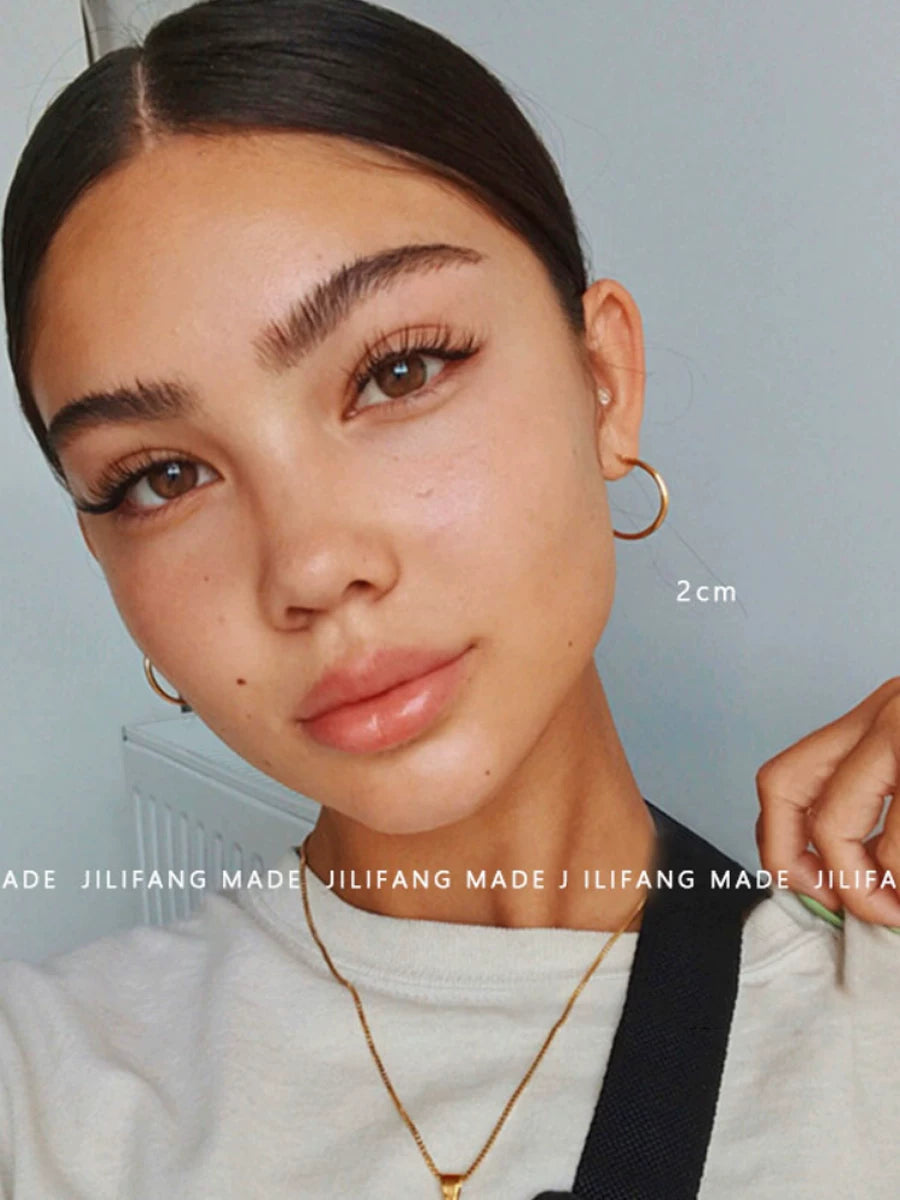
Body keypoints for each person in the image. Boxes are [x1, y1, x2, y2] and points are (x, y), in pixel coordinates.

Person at [1, 1, 898, 1196]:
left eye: (397, 371)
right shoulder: (48, 1093)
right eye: (161, 477)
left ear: (604, 381)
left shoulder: (871, 1019)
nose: (310, 567)